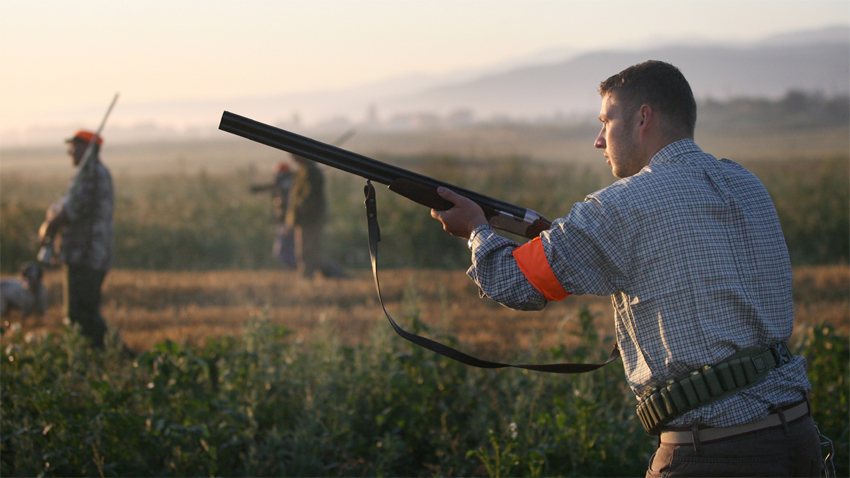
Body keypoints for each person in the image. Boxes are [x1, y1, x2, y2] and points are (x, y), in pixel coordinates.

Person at [431, 61, 824, 477]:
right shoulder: (746, 183)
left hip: (711, 453)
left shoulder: (620, 206)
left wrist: (476, 230)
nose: (598, 140)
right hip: (798, 438)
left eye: (606, 121)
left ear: (643, 118)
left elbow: (512, 281)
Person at [38, 130, 129, 355]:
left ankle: (119, 356)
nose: (70, 151)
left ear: (86, 149)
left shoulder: (91, 174)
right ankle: (101, 356)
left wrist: (50, 225)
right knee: (83, 314)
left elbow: (72, 211)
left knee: (81, 315)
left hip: (86, 255)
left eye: (74, 147)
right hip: (86, 254)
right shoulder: (92, 173)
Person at [285, 154, 348, 279]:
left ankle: (313, 276)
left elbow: (309, 197)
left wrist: (299, 207)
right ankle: (311, 275)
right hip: (304, 218)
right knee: (304, 251)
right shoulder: (304, 171)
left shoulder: (311, 172)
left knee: (308, 251)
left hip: (310, 218)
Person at [251, 162, 297, 268]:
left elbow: (287, 205)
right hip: (286, 221)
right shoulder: (287, 184)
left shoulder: (287, 186)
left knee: (284, 250)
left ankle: (293, 268)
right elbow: (271, 187)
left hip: (287, 222)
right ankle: (293, 269)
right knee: (286, 249)